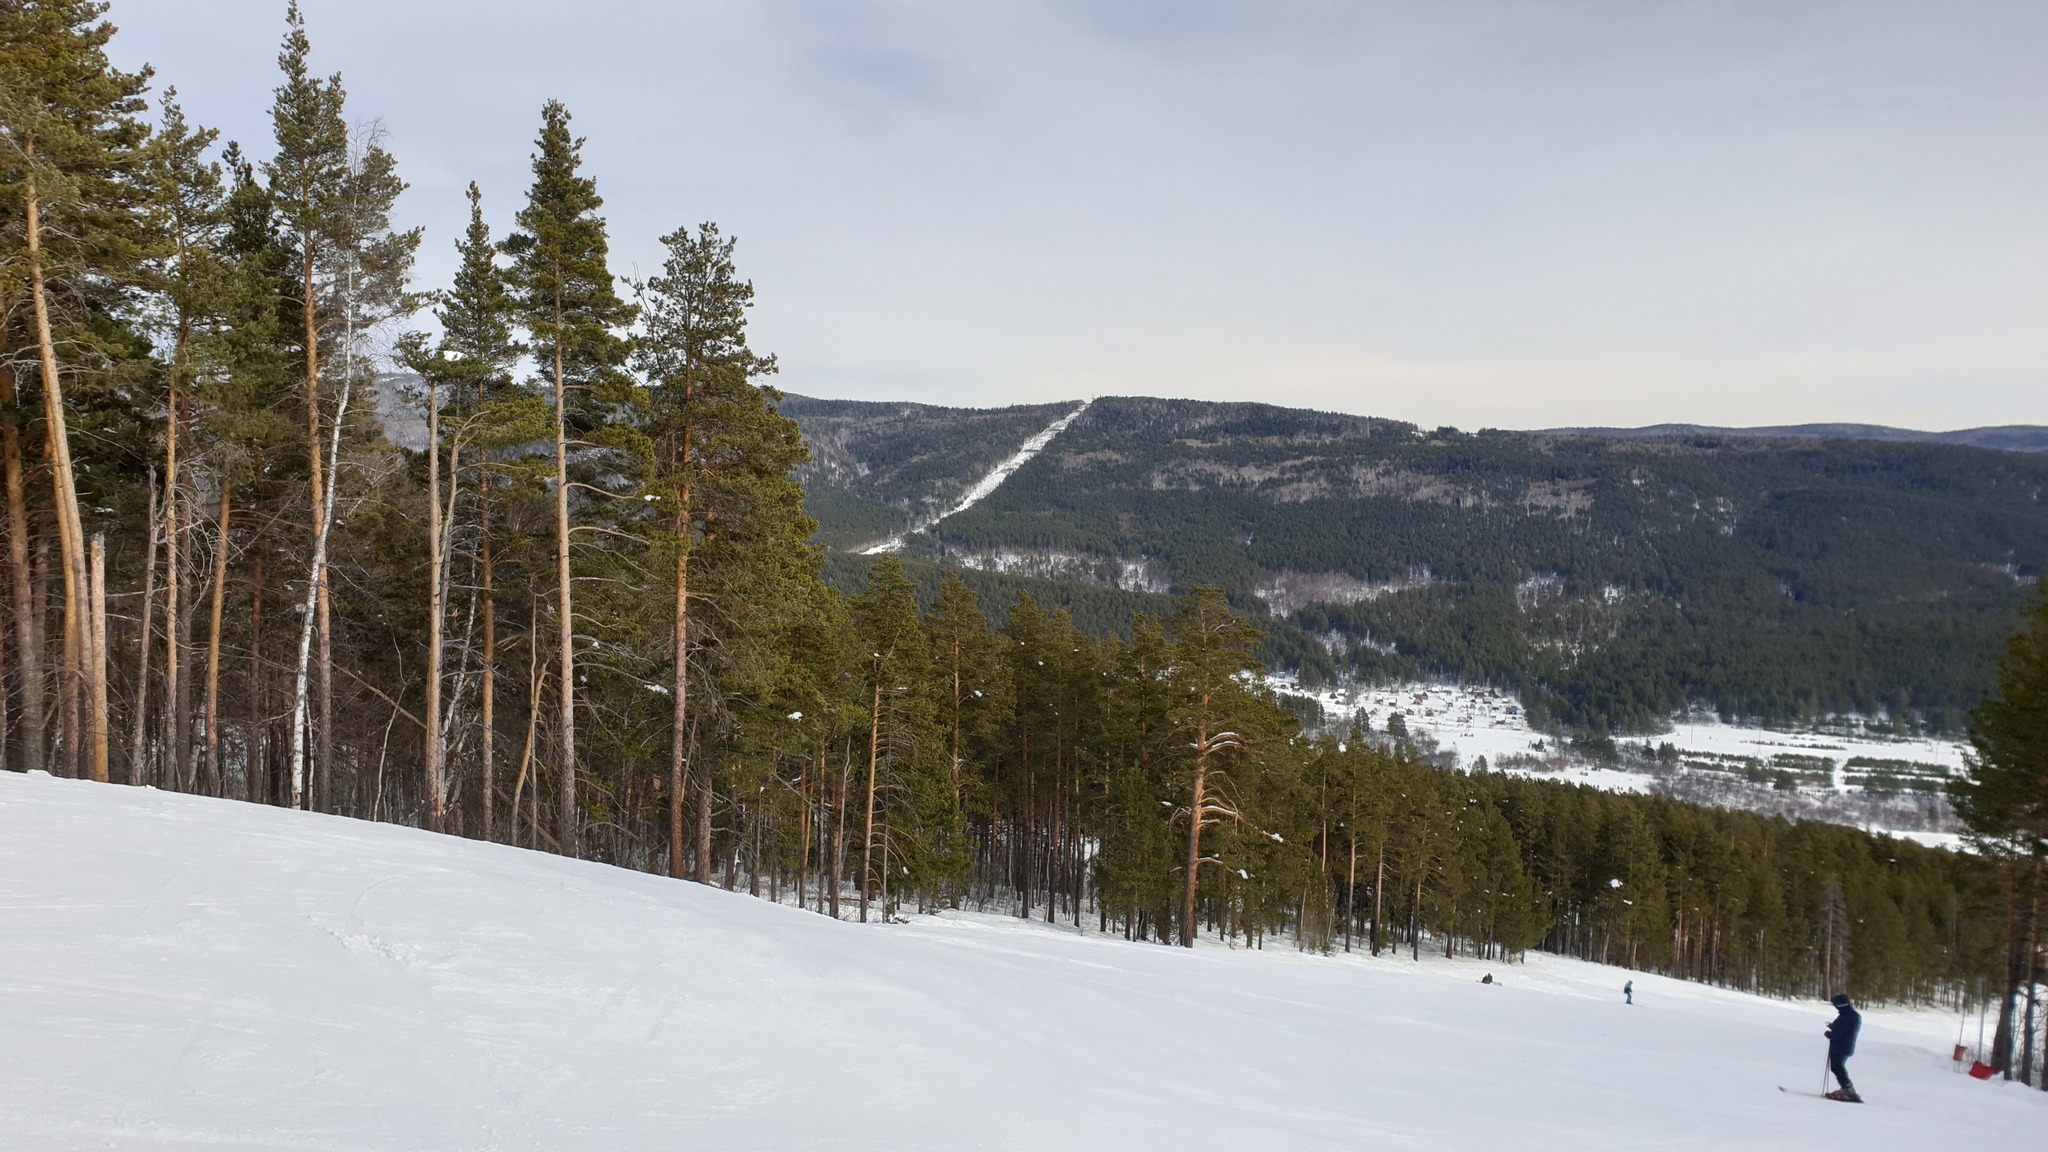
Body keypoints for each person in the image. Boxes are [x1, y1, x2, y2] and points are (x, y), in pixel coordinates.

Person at [1825, 993, 1862, 1102]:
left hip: (1841, 1046)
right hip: (1844, 1046)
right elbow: (1842, 1028)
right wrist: (1833, 1027)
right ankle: (1847, 1088)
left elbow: (1839, 1032)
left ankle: (1848, 1089)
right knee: (1837, 1066)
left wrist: (1829, 1034)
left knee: (1837, 1066)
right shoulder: (1849, 1015)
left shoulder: (1847, 1016)